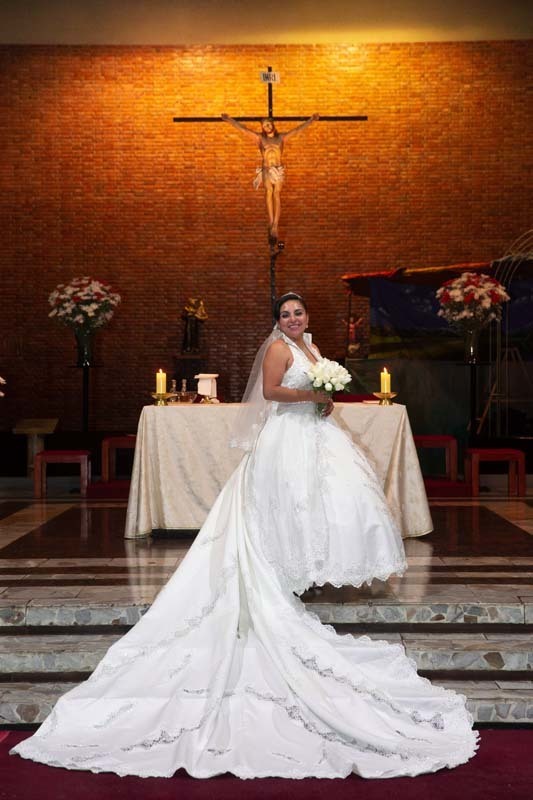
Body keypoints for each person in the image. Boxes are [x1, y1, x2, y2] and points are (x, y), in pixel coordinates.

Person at [11, 293, 478, 779]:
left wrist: (324, 402)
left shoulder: (312, 347)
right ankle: (276, 574)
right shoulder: (277, 348)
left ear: (306, 316)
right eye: (286, 314)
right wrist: (312, 397)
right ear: (278, 321)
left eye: (298, 313)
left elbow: (314, 388)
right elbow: (272, 392)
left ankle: (297, 571)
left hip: (312, 433)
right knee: (283, 507)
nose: (293, 319)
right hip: (285, 438)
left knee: (316, 505)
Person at [221, 114, 319, 240]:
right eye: (264, 126)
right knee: (269, 192)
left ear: (272, 124)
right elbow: (244, 130)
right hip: (267, 168)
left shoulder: (281, 138)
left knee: (276, 194)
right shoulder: (260, 138)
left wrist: (311, 120)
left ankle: (275, 225)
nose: (266, 127)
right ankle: (271, 221)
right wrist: (229, 120)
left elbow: (296, 130)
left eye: (268, 124)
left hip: (277, 169)